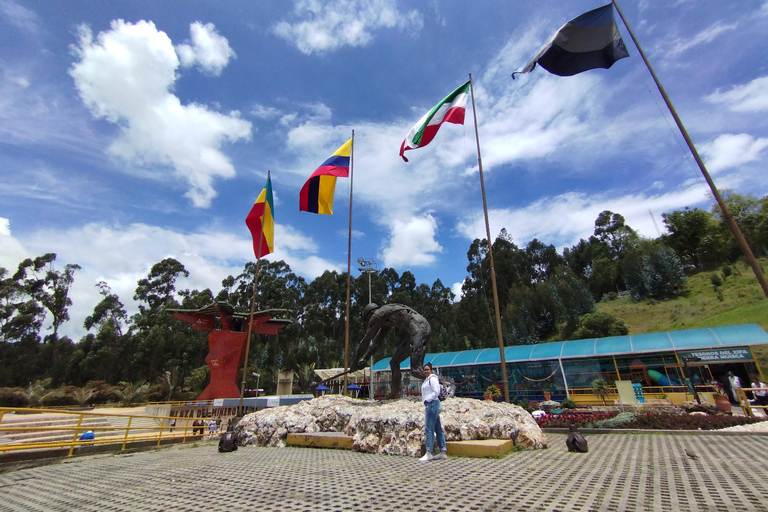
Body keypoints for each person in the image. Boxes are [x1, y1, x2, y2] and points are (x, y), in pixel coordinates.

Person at [349, 303, 431, 399]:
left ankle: (442, 383)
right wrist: (365, 358)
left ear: (371, 314)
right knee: (394, 362)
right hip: (418, 330)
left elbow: (365, 341)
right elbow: (376, 343)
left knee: (416, 370)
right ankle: (394, 394)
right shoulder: (386, 319)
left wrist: (355, 362)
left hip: (419, 330)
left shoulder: (378, 314)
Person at [419, 362, 447, 462]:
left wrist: (427, 400)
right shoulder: (427, 379)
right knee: (437, 427)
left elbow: (436, 392)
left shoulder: (432, 379)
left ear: (431, 370)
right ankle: (443, 451)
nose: (426, 371)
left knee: (429, 428)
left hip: (432, 405)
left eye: (428, 369)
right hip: (432, 404)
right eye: (425, 370)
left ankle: (429, 452)